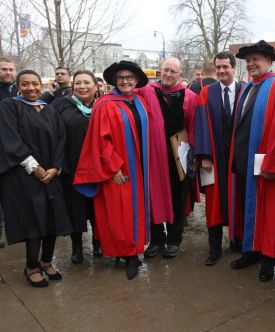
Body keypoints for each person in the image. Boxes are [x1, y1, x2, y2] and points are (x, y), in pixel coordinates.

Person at [73, 61, 150, 280]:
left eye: (130, 78)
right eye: (121, 78)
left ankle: (129, 250)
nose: (125, 81)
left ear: (136, 80)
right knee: (121, 213)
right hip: (119, 170)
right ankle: (130, 255)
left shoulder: (140, 101)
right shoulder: (106, 104)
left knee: (133, 211)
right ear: (115, 82)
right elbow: (101, 140)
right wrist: (114, 167)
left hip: (140, 169)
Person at [229, 40, 275, 282]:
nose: (251, 63)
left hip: (265, 165)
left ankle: (268, 260)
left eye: (256, 59)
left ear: (269, 60)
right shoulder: (248, 87)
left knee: (267, 212)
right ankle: (251, 251)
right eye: (249, 59)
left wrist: (273, 165)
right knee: (248, 209)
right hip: (244, 160)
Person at [0, 69, 72, 287]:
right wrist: (35, 167)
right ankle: (31, 266)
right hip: (25, 176)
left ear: (42, 85)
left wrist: (56, 167)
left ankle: (46, 261)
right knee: (34, 220)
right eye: (25, 84)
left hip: (52, 174)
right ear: (18, 87)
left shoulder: (50, 110)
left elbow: (62, 139)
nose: (31, 88)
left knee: (52, 218)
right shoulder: (9, 107)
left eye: (35, 84)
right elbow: (10, 139)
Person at [138, 57, 198, 259]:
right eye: (165, 70)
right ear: (159, 71)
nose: (168, 74)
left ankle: (174, 240)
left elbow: (193, 127)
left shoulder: (189, 97)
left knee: (177, 199)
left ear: (180, 75)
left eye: (173, 71)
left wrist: (193, 157)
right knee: (153, 197)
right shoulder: (146, 91)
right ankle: (156, 239)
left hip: (178, 156)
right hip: (152, 156)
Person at [195, 51, 240, 265]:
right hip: (213, 157)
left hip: (237, 158)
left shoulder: (244, 91)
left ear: (233, 67)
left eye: (225, 66)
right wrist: (204, 155)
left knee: (237, 198)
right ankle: (214, 247)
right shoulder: (207, 93)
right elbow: (201, 124)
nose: (222, 70)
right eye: (218, 67)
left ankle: (238, 241)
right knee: (213, 202)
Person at [51, 70, 101, 264]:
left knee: (97, 207)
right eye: (78, 83)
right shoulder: (61, 106)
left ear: (95, 86)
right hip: (71, 167)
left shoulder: (103, 106)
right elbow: (52, 134)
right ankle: (77, 246)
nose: (82, 86)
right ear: (73, 86)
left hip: (97, 168)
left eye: (86, 82)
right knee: (75, 208)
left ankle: (98, 242)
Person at [0, 56, 18, 249]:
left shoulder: (17, 90)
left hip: (13, 152)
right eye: (3, 69)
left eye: (10, 69)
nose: (7, 72)